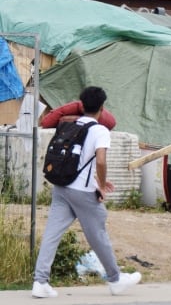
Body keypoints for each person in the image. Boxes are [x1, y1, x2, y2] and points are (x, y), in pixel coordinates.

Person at [32, 86, 141, 298]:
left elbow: (80, 160)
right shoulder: (100, 130)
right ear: (102, 107)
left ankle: (40, 282)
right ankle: (116, 279)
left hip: (62, 187)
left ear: (81, 106)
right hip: (83, 192)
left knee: (51, 235)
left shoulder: (71, 124)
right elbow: (100, 160)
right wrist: (100, 183)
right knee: (98, 235)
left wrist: (98, 179)